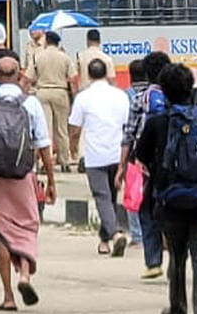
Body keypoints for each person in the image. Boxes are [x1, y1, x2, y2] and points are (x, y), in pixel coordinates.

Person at [0, 56, 57, 312]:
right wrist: (51, 181)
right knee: (27, 227)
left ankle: (8, 297)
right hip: (23, 174)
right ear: (20, 75)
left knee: (2, 234)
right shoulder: (32, 104)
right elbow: (43, 146)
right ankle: (25, 275)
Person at [135, 63, 197, 314]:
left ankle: (178, 309)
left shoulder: (158, 122)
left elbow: (142, 155)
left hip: (169, 199)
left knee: (178, 255)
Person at [117, 51, 170, 279]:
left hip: (148, 164)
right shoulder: (177, 94)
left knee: (147, 210)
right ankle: (176, 259)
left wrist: (122, 167)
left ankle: (153, 261)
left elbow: (129, 135)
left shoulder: (140, 98)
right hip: (176, 163)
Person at [69, 58, 131, 256]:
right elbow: (127, 126)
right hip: (117, 152)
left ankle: (114, 234)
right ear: (106, 73)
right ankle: (104, 240)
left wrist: (72, 148)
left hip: (95, 155)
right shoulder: (120, 96)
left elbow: (76, 129)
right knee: (111, 197)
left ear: (88, 75)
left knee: (102, 197)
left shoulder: (83, 98)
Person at [30, 31, 77, 171]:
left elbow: (30, 77)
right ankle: (65, 161)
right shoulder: (65, 58)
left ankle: (46, 161)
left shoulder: (38, 57)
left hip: (42, 92)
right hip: (61, 92)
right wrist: (74, 98)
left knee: (46, 129)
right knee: (61, 129)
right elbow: (73, 80)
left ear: (46, 41)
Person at [123, 58, 149, 251]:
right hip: (154, 153)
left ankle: (138, 234)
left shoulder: (126, 96)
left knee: (133, 191)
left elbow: (127, 131)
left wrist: (121, 161)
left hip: (134, 153)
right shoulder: (156, 95)